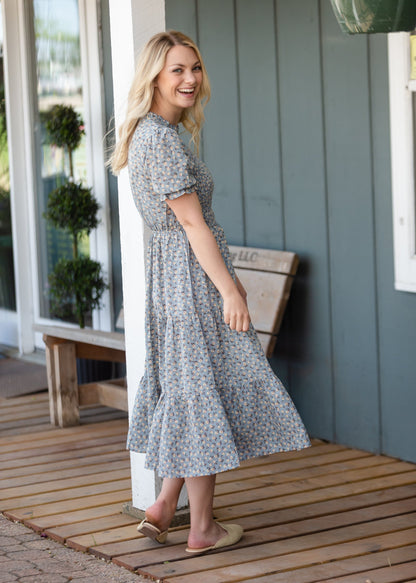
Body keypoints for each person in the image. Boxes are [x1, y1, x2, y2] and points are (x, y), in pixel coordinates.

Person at [110, 30, 310, 555]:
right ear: (154, 75)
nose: (190, 79)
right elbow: (194, 226)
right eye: (177, 69)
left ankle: (162, 504)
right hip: (190, 278)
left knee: (188, 385)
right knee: (201, 392)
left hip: (177, 277)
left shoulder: (157, 134)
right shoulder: (159, 140)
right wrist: (231, 290)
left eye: (194, 68)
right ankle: (202, 528)